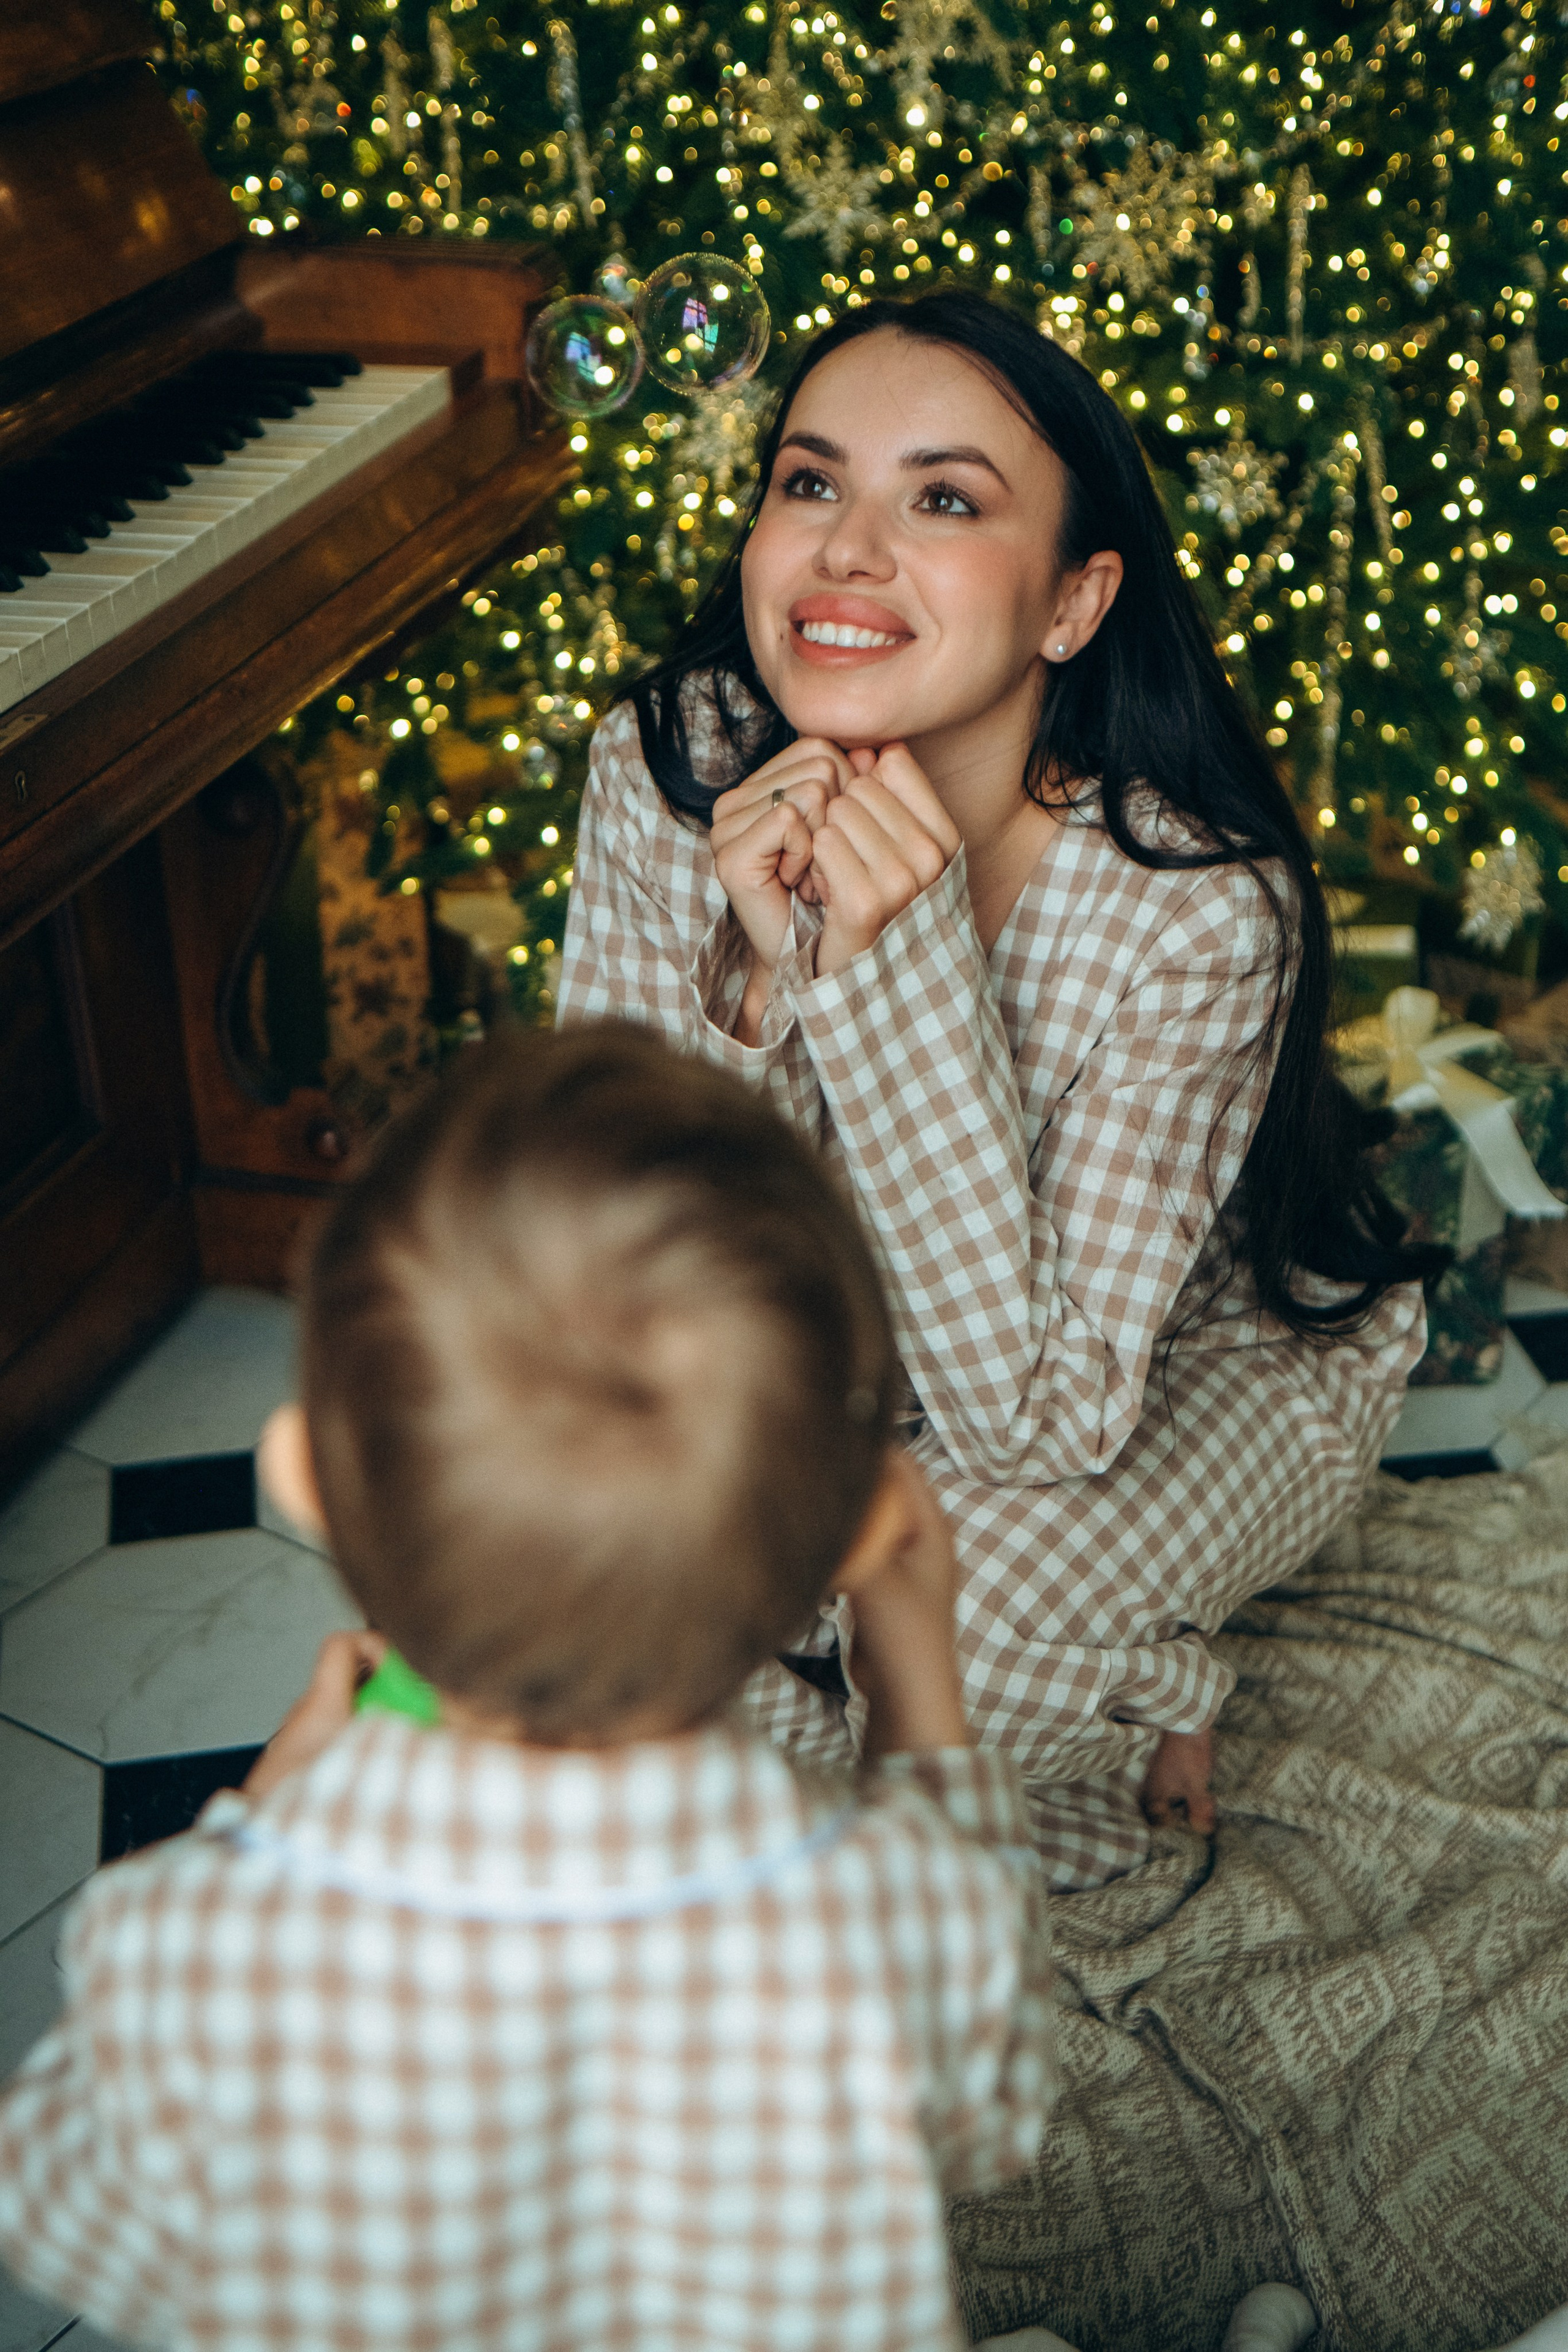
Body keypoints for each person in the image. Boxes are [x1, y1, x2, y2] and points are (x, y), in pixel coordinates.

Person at [558, 288, 1443, 1888]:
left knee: (959, 1635)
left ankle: (1067, 1671)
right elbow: (627, 1284)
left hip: (1183, 1351)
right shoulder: (668, 763)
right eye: (809, 483)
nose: (846, 551)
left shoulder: (1197, 902)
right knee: (555, 1529)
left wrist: (884, 972)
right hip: (824, 1366)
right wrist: (757, 994)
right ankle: (1117, 1682)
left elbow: (1041, 1423)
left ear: (1071, 602)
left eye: (944, 500)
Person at [0, 1025, 1057, 2352]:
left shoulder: (179, 1949)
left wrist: (257, 1820)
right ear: (856, 1535)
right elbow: (989, 2117)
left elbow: (66, 2213)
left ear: (305, 1485)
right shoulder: (906, 1909)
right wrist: (911, 1662)